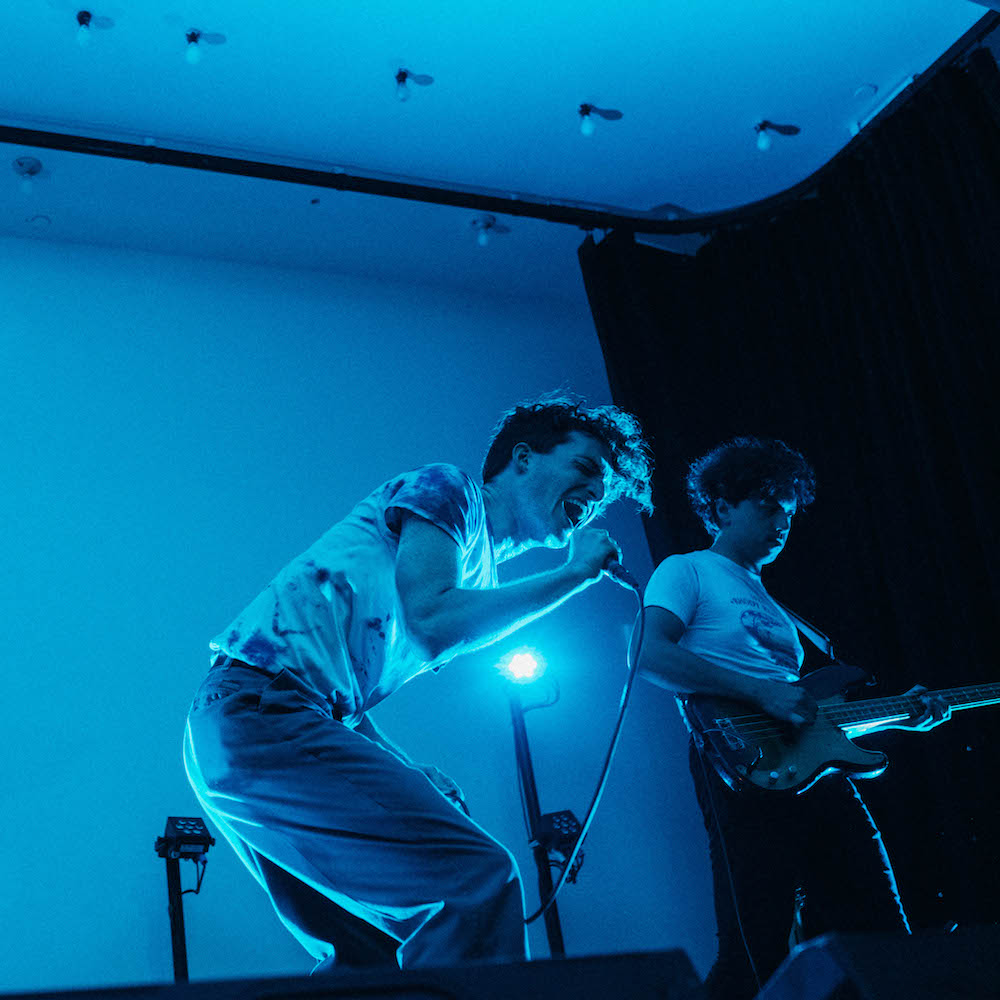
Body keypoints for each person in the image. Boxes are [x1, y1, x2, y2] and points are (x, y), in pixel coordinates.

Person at [183, 394, 652, 972]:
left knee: (366, 953)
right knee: (475, 880)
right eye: (584, 467)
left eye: (604, 493)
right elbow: (433, 619)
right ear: (523, 458)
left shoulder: (476, 572)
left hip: (245, 725)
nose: (595, 493)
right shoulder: (450, 490)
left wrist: (404, 767)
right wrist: (574, 575)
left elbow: (342, 692)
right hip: (260, 713)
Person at [637, 436, 947, 1000]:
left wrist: (900, 717)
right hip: (740, 768)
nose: (782, 522)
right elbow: (648, 653)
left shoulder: (782, 613)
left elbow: (806, 715)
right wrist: (761, 690)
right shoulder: (688, 570)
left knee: (880, 937)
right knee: (754, 951)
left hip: (817, 776)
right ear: (722, 508)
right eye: (766, 507)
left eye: (788, 510)